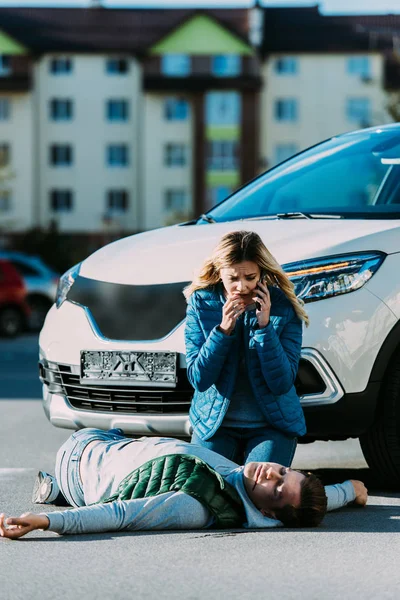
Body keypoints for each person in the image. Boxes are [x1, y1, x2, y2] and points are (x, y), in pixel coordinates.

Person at [0, 428, 368, 540]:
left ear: (268, 513)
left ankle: (61, 493)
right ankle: (59, 491)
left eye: (276, 487)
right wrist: (350, 490)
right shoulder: (246, 484)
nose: (272, 473)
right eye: (285, 472)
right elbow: (311, 501)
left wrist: (45, 522)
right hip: (113, 445)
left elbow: (118, 514)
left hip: (80, 457)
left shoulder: (194, 506)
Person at [184, 230, 309, 466]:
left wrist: (264, 327)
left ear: (261, 272)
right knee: (203, 493)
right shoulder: (201, 303)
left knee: (261, 495)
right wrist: (223, 331)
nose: (242, 287)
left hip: (271, 426)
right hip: (215, 426)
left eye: (250, 277)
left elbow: (282, 382)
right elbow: (199, 379)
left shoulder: (283, 306)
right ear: (219, 273)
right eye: (233, 278)